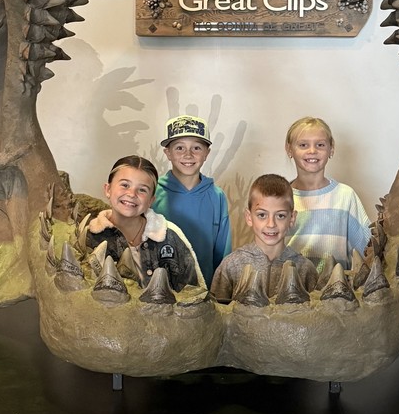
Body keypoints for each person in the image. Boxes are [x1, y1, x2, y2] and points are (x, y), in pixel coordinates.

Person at [87, 155, 204, 291]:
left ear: (151, 200)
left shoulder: (171, 235)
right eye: (125, 185)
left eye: (142, 190)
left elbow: (194, 291)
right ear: (108, 189)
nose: (131, 194)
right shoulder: (90, 238)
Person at [210, 174, 318, 302]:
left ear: (292, 218)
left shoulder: (305, 269)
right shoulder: (231, 265)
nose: (271, 224)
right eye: (262, 215)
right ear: (249, 217)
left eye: (280, 216)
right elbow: (215, 316)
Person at [153, 115, 232, 287]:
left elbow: (222, 251)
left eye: (196, 148)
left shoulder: (217, 196)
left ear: (206, 153)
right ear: (167, 152)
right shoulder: (153, 194)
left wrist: (220, 292)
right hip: (160, 291)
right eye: (179, 148)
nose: (188, 155)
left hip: (204, 294)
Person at [285, 116, 371, 272]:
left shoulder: (346, 196)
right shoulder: (280, 197)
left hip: (336, 291)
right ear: (289, 149)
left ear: (331, 149)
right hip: (290, 290)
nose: (312, 151)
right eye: (303, 145)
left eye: (320, 145)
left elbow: (367, 250)